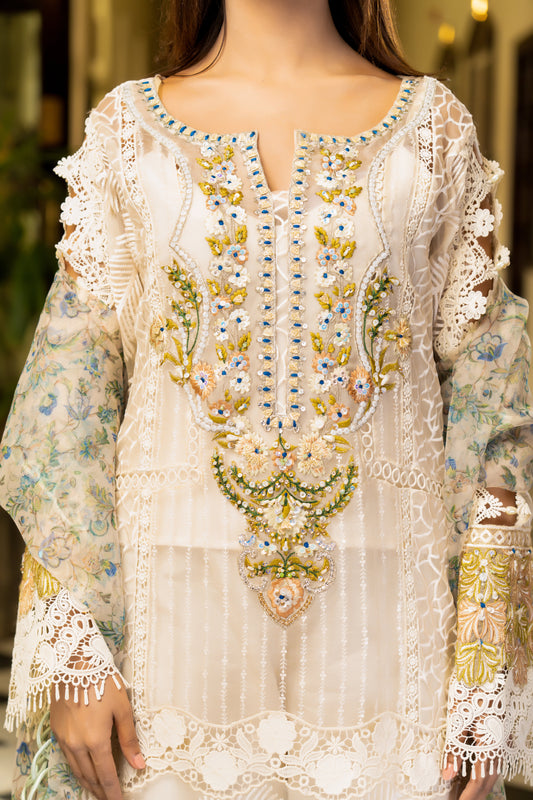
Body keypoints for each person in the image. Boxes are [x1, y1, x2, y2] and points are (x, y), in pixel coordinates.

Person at [1, 0, 533, 798]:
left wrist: (487, 670)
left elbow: (495, 410)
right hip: (162, 654)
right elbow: (66, 405)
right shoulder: (127, 135)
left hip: (391, 658)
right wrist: (75, 650)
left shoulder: (433, 134)